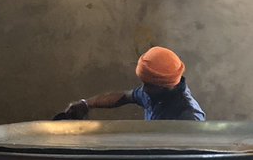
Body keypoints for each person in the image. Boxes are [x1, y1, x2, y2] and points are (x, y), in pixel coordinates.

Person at [57, 45, 206, 121]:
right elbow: (124, 97)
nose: (144, 89)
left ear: (165, 85)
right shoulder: (156, 93)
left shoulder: (189, 116)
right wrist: (86, 104)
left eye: (149, 85)